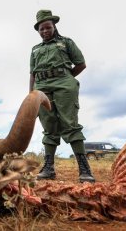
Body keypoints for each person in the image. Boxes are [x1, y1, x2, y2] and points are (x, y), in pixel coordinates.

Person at [29, 10, 95, 183]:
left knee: (69, 123)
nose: (45, 31)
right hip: (41, 87)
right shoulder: (35, 49)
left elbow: (81, 64)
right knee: (49, 125)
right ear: (38, 30)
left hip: (64, 83)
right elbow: (32, 74)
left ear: (54, 26)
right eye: (41, 29)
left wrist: (67, 78)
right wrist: (32, 96)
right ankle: (49, 168)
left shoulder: (66, 42)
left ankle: (84, 169)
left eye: (47, 27)